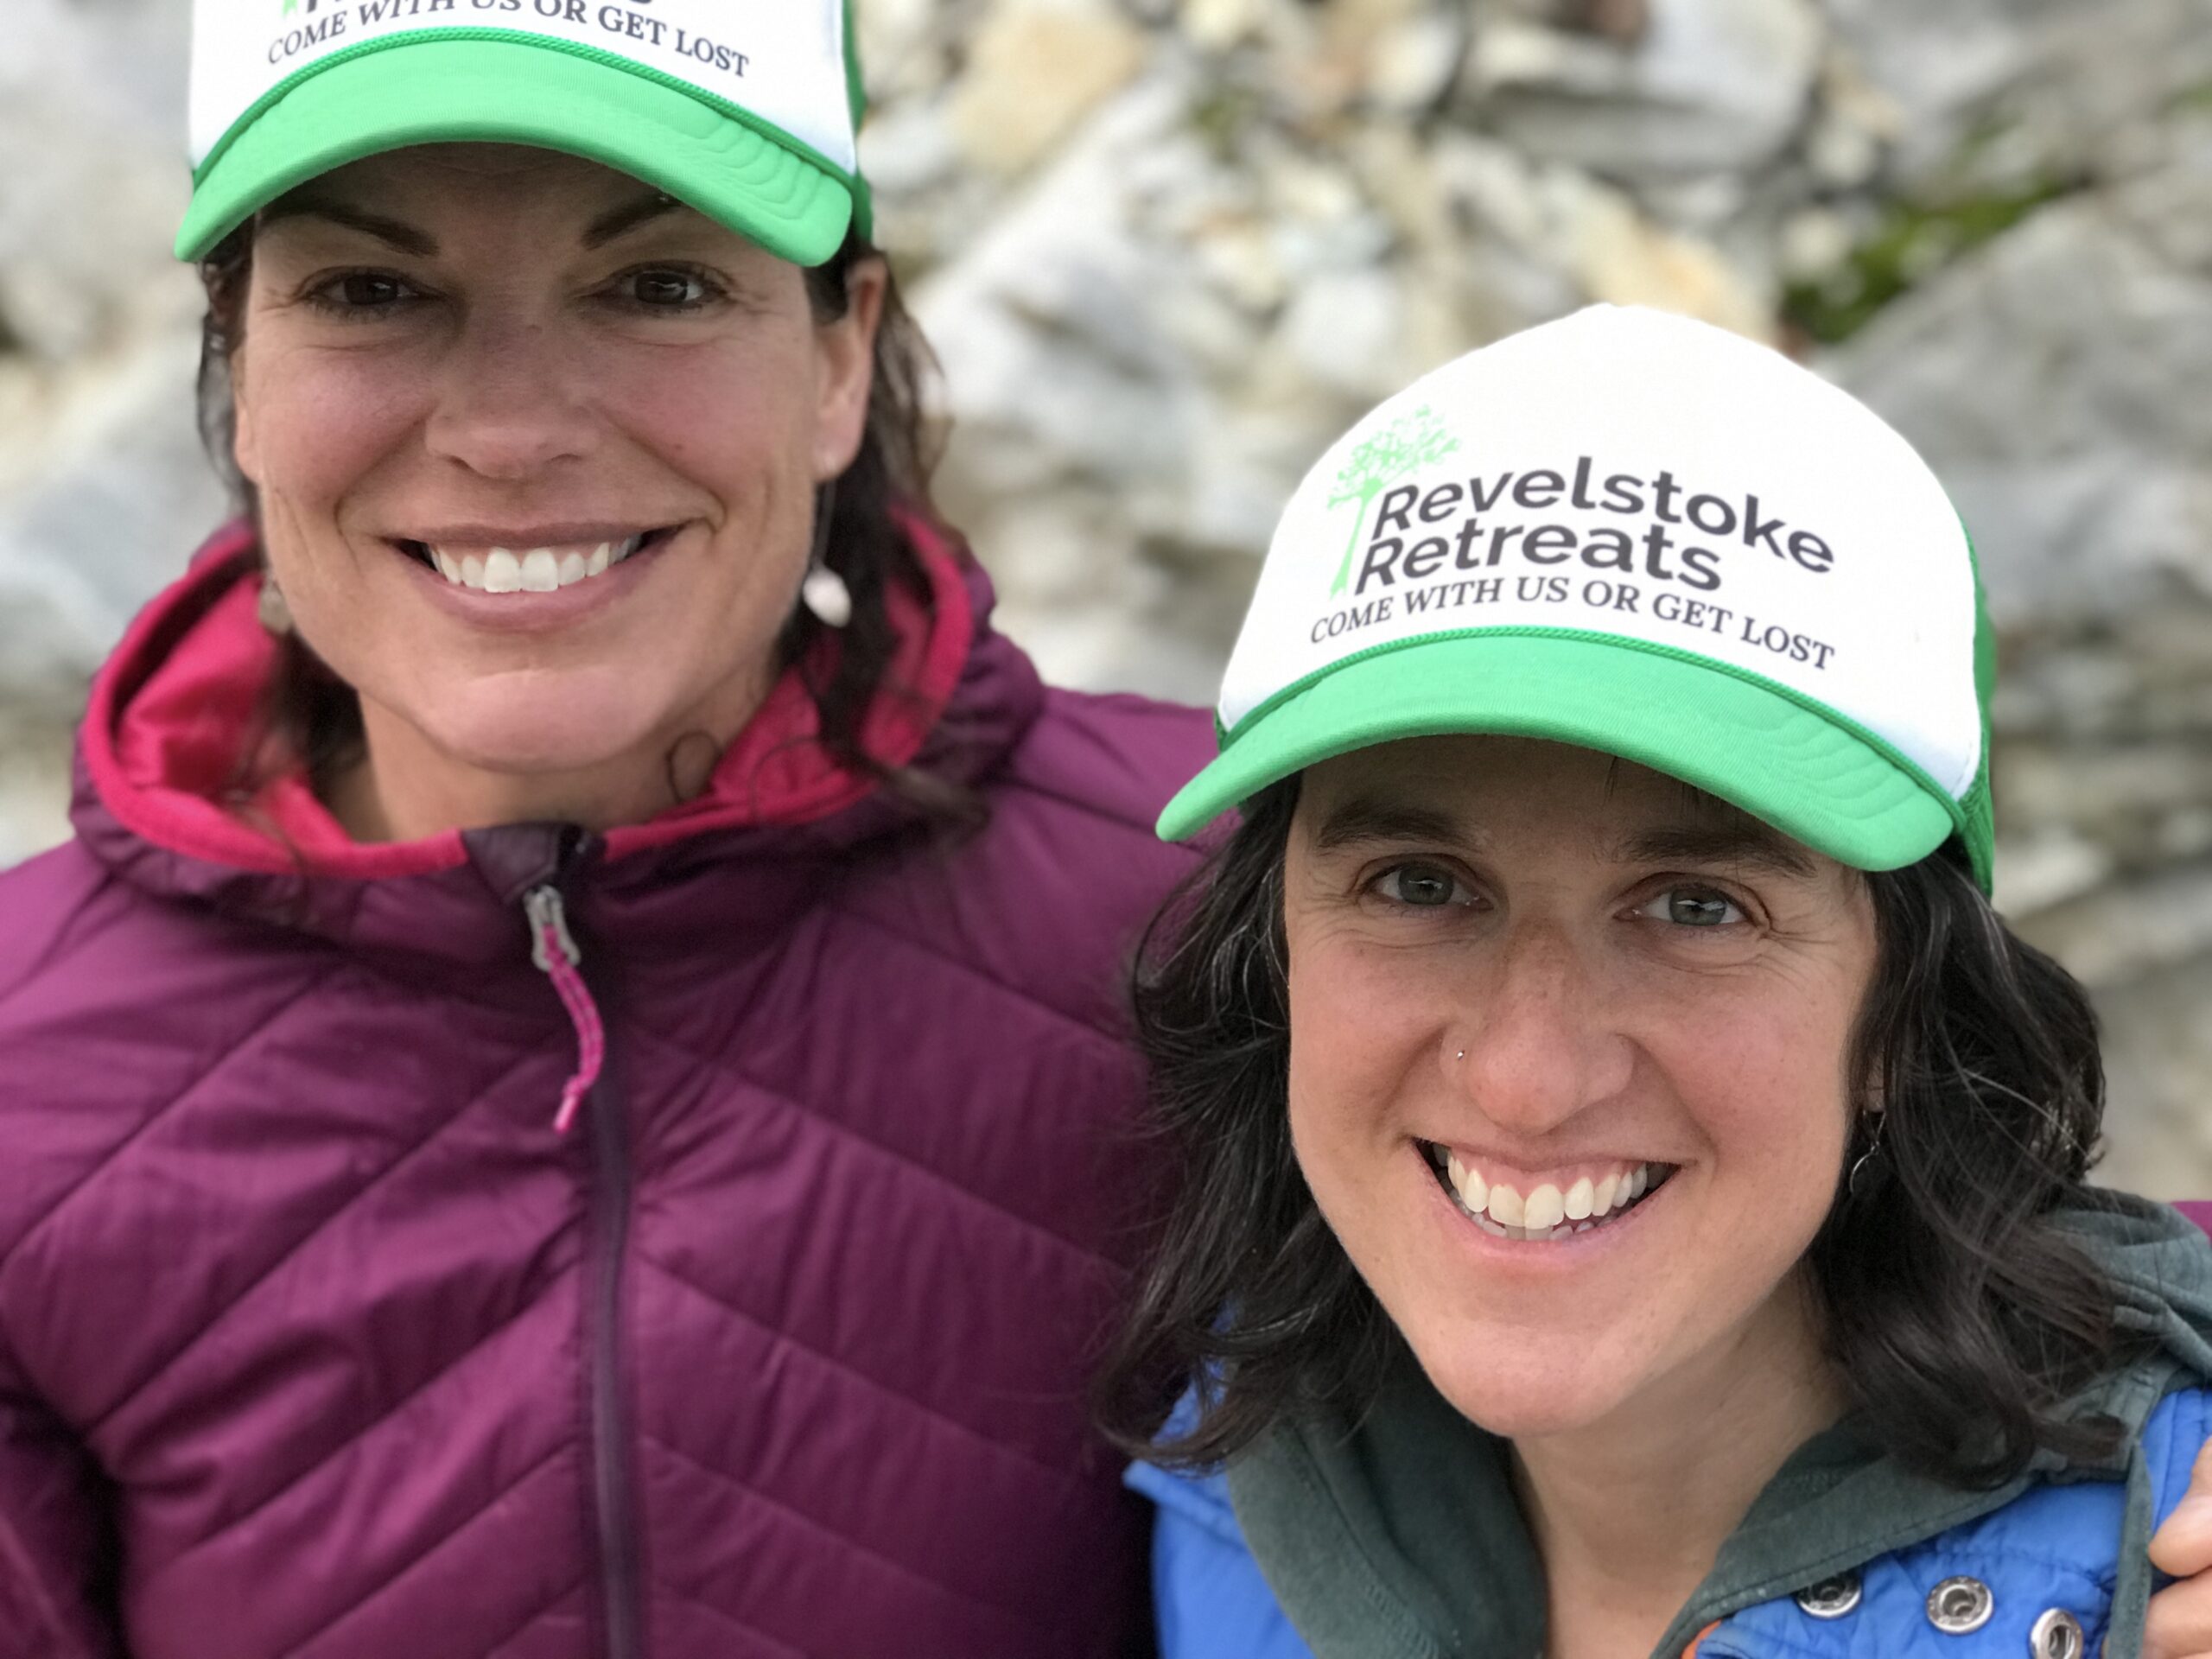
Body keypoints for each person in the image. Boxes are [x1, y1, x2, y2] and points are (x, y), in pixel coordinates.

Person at [0, 6, 1213, 1656]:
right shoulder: (23, 1060)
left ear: (840, 357)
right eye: (372, 291)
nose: (511, 433)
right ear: (239, 368)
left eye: (658, 286)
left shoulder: (1219, 915)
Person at [1104, 306, 2212, 1659]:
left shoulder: (2169, 1556)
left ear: (1903, 1016)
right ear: (1269, 951)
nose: (1525, 1075)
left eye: (1698, 909)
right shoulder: (1244, 1493)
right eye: (1418, 885)